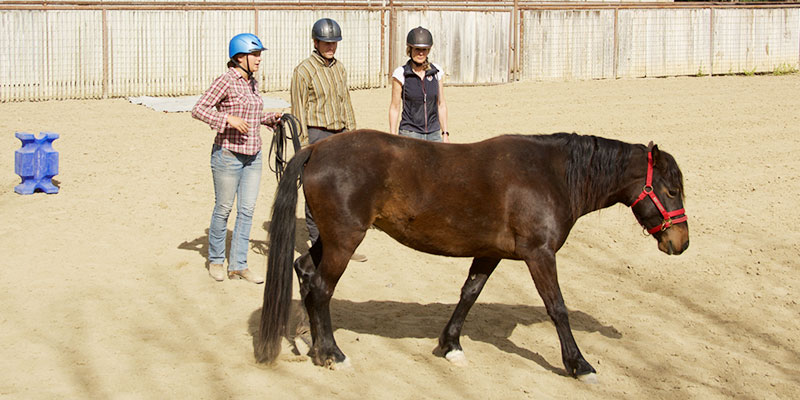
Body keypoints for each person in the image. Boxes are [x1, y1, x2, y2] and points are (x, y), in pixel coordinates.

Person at [192, 33, 282, 283]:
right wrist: (226, 119)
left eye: (259, 54)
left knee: (247, 210)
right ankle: (217, 260)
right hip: (228, 155)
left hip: (253, 156)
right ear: (240, 57)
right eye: (255, 55)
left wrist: (270, 119)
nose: (259, 59)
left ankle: (239, 264)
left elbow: (251, 115)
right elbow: (199, 109)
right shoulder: (226, 81)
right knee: (223, 209)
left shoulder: (251, 82)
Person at [291, 18, 366, 262]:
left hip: (340, 135)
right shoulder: (303, 71)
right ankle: (318, 244)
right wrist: (303, 143)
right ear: (316, 42)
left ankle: (339, 243)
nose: (331, 47)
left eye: (334, 43)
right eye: (326, 43)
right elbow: (298, 108)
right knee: (318, 192)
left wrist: (353, 134)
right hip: (317, 135)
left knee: (341, 192)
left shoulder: (339, 68)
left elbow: (346, 100)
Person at [389, 26, 450, 143]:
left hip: (434, 133)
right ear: (410, 50)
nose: (421, 53)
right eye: (417, 49)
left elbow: (441, 104)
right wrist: (393, 137)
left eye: (425, 50)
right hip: (410, 133)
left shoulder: (436, 72)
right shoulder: (401, 74)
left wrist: (445, 133)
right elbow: (395, 107)